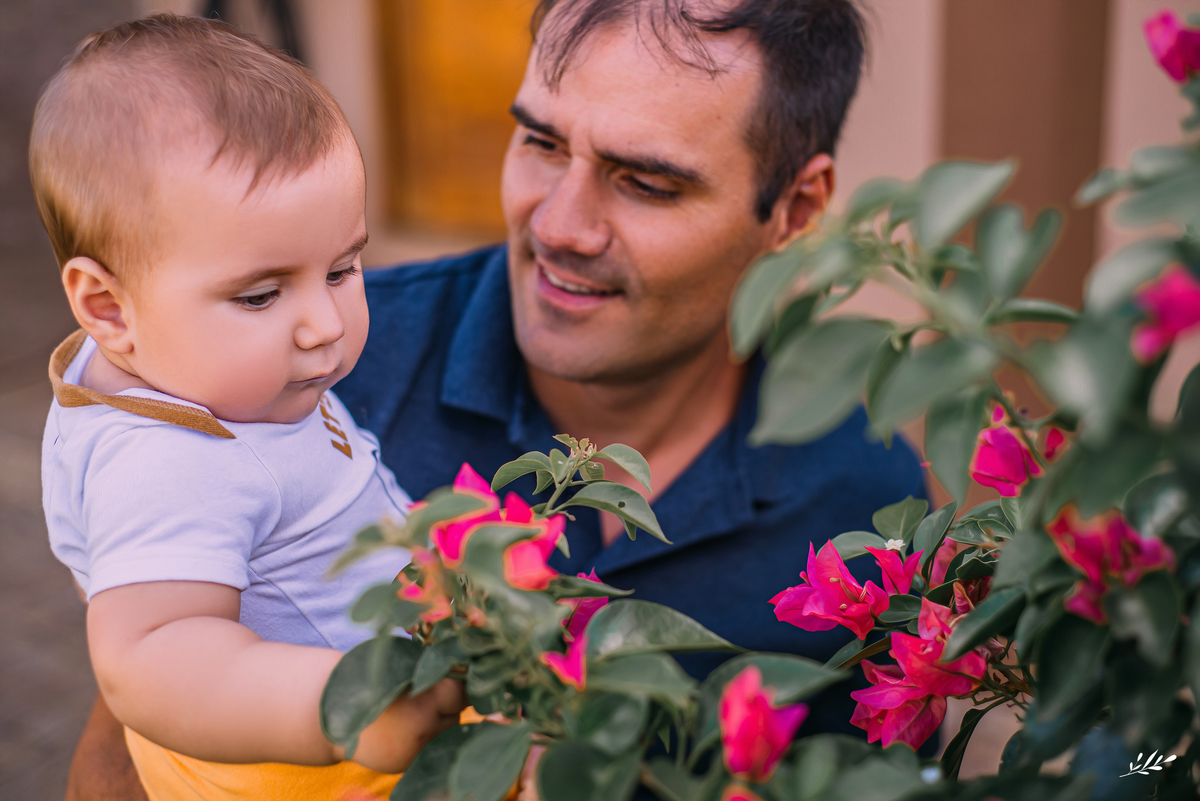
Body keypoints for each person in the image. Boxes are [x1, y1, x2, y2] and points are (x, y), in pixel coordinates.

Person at [64, 1, 927, 798]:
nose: (556, 225)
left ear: (796, 209)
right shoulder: (293, 378)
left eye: (647, 182)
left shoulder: (863, 501)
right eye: (541, 143)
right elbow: (137, 728)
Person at [32, 15, 465, 801]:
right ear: (108, 306)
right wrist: (346, 703)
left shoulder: (198, 366)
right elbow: (153, 655)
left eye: (343, 268)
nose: (325, 324)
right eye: (262, 293)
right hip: (305, 767)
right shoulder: (165, 460)